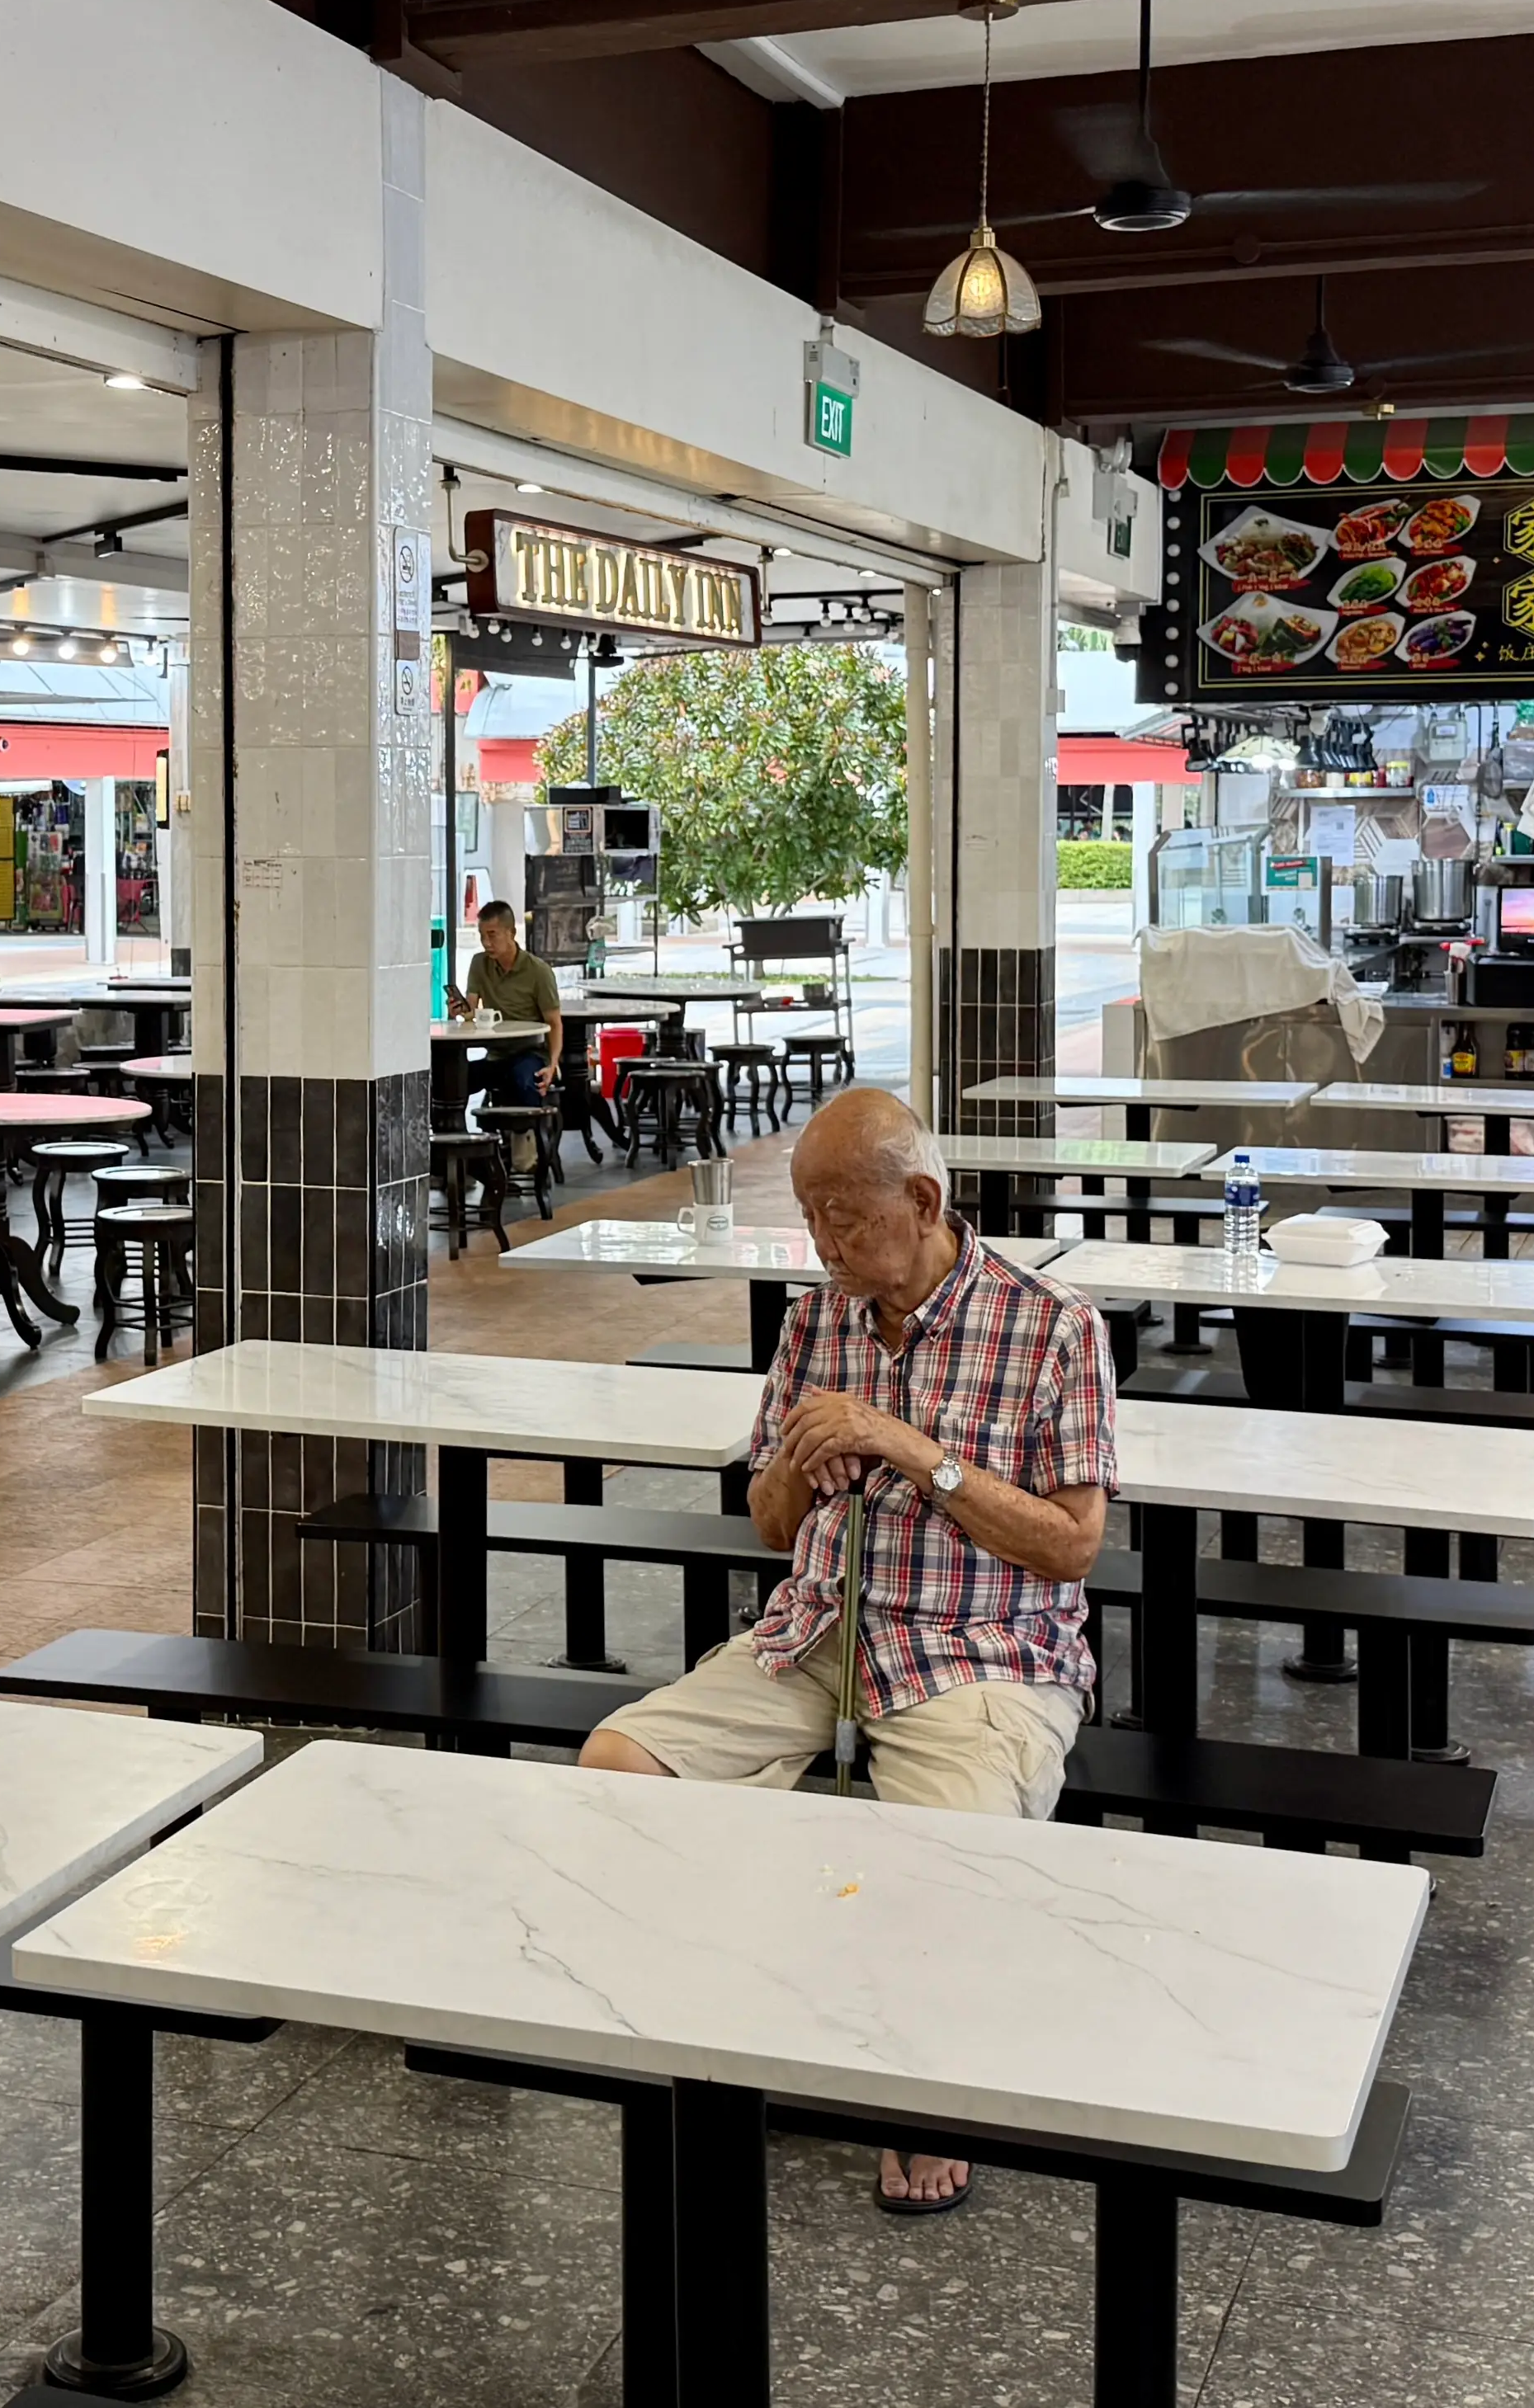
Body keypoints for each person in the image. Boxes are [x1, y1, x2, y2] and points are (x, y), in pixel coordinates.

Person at [580, 1086, 1113, 2219]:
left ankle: (919, 2091)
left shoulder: (1053, 1328)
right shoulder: (816, 1321)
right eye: (810, 1217)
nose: (823, 1245)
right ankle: (744, 2017)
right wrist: (790, 1470)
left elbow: (1071, 1547)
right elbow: (771, 1529)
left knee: (944, 1853)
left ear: (921, 1201)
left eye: (843, 1219)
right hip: (817, 1629)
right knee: (616, 1771)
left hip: (979, 1647)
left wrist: (916, 1454)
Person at [448, 899, 564, 1113]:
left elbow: (554, 1023)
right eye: (482, 935)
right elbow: (470, 1011)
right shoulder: (479, 964)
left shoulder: (538, 971)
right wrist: (459, 1011)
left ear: (511, 933)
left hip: (532, 1052)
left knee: (525, 1081)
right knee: (451, 1081)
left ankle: (530, 1140)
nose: (486, 942)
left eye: (492, 935)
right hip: (496, 1055)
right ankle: (455, 1137)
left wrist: (553, 1065)